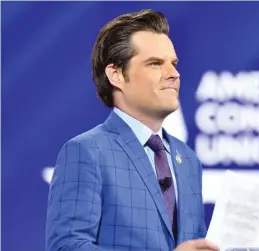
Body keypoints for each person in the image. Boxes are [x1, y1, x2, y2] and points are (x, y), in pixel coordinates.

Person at [45, 9, 219, 251]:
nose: (174, 74)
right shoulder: (86, 152)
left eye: (174, 63)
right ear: (116, 74)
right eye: (156, 64)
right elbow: (67, 247)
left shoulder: (188, 160)